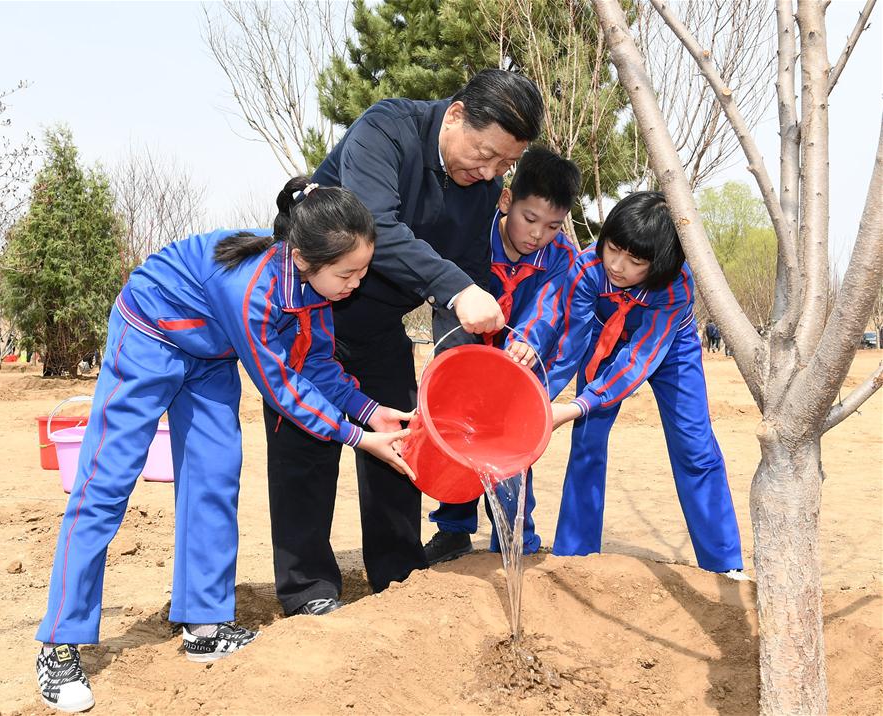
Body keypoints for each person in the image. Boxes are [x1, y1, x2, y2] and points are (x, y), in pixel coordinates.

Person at [34, 178, 415, 713]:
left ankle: (206, 625)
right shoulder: (252, 288)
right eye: (348, 273)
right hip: (150, 331)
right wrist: (359, 438)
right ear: (304, 257)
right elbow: (283, 390)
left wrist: (373, 411)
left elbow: (320, 366)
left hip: (209, 355)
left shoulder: (319, 287)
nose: (355, 283)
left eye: (362, 271)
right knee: (106, 480)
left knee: (215, 476)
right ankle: (58, 644)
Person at [264, 69, 544, 616]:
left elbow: (466, 266)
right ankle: (309, 590)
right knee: (307, 447)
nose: (489, 171)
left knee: (401, 441)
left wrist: (472, 349)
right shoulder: (386, 130)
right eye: (484, 153)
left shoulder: (481, 189)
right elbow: (380, 229)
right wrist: (459, 290)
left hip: (376, 329)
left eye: (503, 164)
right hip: (306, 320)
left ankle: (396, 575)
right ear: (458, 114)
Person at [549, 192, 743, 576]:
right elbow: (570, 343)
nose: (617, 266)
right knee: (587, 442)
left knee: (695, 447)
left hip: (670, 348)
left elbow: (639, 359)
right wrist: (542, 397)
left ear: (661, 265)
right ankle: (575, 555)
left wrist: (580, 405)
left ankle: (723, 565)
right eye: (613, 249)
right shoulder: (587, 268)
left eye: (635, 261)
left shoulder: (675, 287)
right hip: (604, 340)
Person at [423, 146, 581, 564]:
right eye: (529, 219)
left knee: (511, 444)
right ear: (507, 200)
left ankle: (514, 538)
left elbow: (549, 305)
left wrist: (529, 338)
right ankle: (453, 529)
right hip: (464, 353)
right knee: (457, 432)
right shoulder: (473, 233)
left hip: (516, 364)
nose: (537, 235)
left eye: (552, 226)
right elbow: (448, 292)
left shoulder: (561, 257)